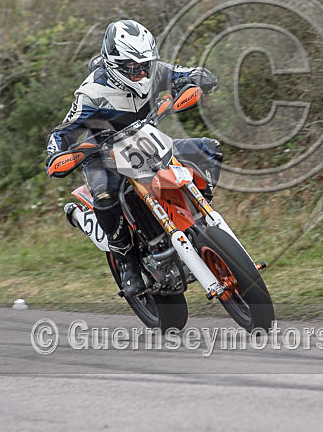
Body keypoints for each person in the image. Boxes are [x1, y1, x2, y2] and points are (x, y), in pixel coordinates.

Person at [46, 19, 219, 295]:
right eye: (131, 68)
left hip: (146, 142)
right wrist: (57, 156)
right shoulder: (91, 94)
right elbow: (62, 133)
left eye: (144, 66)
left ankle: (201, 221)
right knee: (105, 197)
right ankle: (125, 258)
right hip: (102, 155)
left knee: (208, 149)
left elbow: (188, 74)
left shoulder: (155, 70)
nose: (140, 73)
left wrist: (200, 78)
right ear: (114, 64)